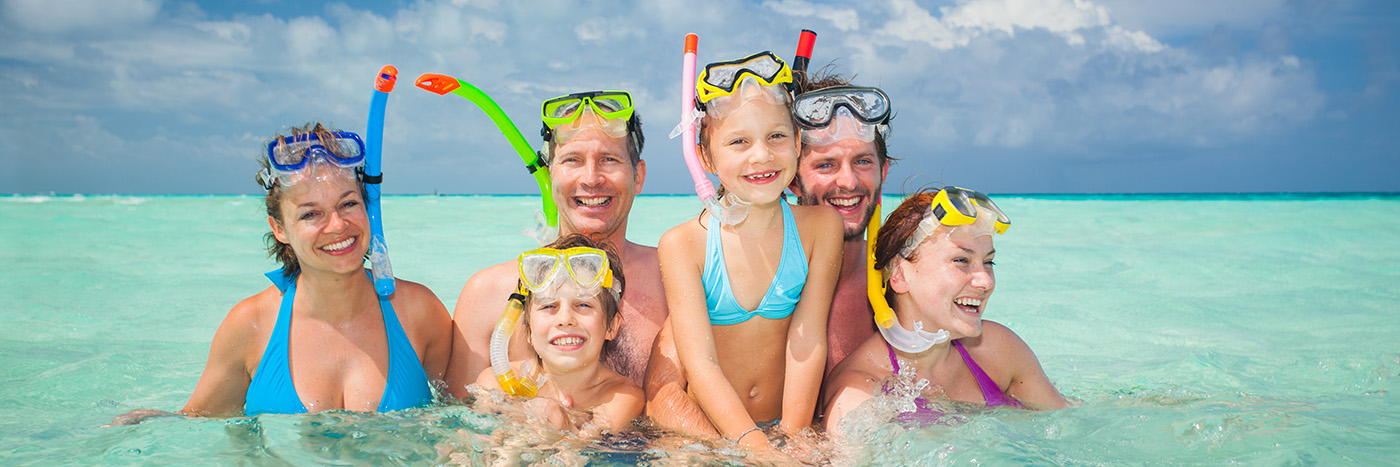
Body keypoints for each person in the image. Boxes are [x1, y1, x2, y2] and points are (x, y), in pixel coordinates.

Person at [109, 123, 452, 424]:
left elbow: (459, 414)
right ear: (280, 229)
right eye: (310, 214)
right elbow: (199, 420)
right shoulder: (251, 325)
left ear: (369, 208)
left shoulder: (418, 311)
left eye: (348, 204)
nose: (337, 225)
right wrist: (145, 423)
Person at [645, 51, 842, 452]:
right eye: (739, 142)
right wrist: (754, 447)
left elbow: (808, 340)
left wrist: (793, 437)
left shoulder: (821, 228)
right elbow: (700, 364)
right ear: (705, 156)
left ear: (798, 142)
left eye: (776, 136)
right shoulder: (684, 244)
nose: (761, 155)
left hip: (782, 428)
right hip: (711, 437)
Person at [446, 91, 667, 395]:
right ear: (550, 176)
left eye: (609, 159)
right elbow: (459, 418)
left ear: (638, 176)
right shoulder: (487, 295)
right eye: (572, 160)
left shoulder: (674, 283)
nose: (591, 178)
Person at [822, 187, 1067, 438]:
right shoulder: (859, 397)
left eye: (988, 262)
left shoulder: (998, 351)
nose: (985, 281)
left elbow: (1071, 424)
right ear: (899, 275)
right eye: (961, 260)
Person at [473, 234, 644, 431]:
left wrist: (557, 420)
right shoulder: (494, 383)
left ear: (611, 327)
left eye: (583, 304)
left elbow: (583, 445)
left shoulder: (621, 397)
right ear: (528, 330)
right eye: (549, 306)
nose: (565, 319)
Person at [787, 74, 896, 376]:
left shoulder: (902, 281)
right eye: (826, 165)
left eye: (863, 162)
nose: (848, 182)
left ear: (883, 171)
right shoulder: (752, 279)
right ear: (793, 181)